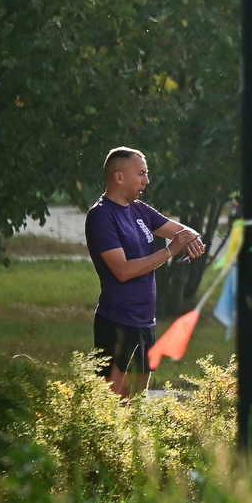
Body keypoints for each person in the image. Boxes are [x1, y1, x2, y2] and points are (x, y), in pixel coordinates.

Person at [86, 147, 209, 398]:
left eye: (147, 173)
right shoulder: (101, 216)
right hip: (117, 322)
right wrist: (171, 251)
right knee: (114, 404)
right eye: (141, 174)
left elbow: (180, 229)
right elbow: (122, 271)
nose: (147, 180)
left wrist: (191, 238)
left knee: (137, 404)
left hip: (144, 322)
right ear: (119, 177)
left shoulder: (139, 210)